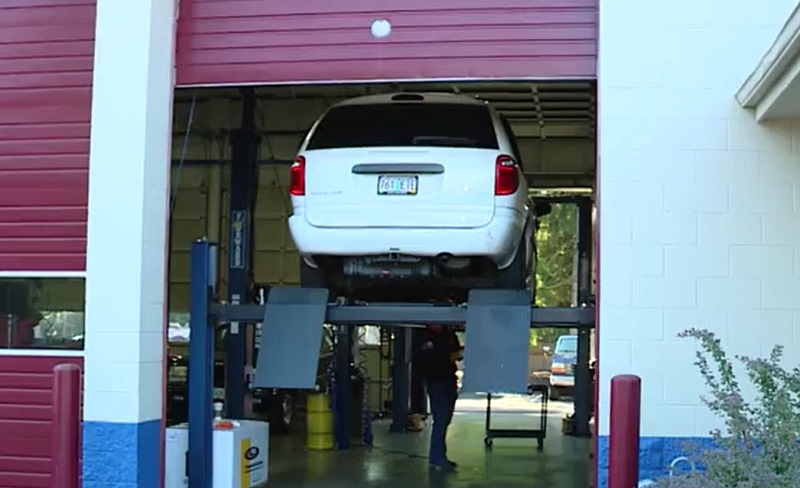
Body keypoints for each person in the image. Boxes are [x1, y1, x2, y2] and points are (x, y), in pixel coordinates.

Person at [419, 324, 462, 472]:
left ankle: (438, 456)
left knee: (444, 420)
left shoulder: (449, 334)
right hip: (436, 381)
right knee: (441, 419)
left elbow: (456, 353)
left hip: (449, 380)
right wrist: (448, 356)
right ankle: (437, 457)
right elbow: (430, 357)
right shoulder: (425, 336)